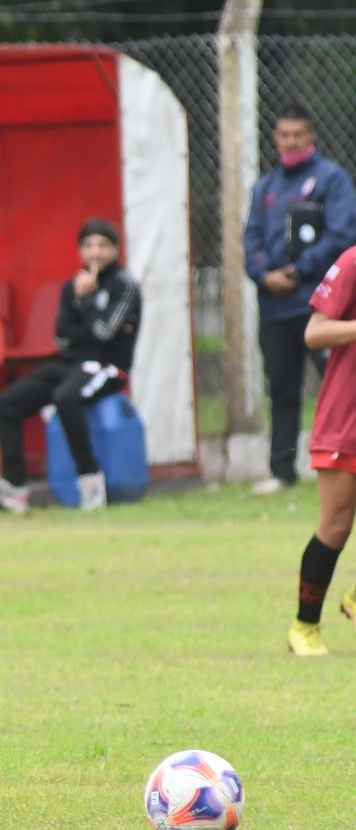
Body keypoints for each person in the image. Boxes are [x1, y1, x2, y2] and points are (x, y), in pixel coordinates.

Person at [0, 218, 142, 514]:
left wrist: (87, 301)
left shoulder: (124, 286)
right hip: (72, 362)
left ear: (115, 250)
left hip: (108, 366)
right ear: (80, 251)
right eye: (89, 246)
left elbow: (105, 334)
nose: (95, 253)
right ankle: (14, 486)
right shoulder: (72, 287)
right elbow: (62, 337)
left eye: (103, 245)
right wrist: (83, 306)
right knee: (6, 404)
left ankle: (90, 481)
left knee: (66, 397)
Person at [244, 101, 356, 495]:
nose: (290, 142)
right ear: (274, 138)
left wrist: (298, 270)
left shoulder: (332, 180)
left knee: (342, 383)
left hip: (321, 304)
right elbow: (251, 239)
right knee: (282, 388)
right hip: (275, 307)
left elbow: (341, 235)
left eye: (297, 135)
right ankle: (282, 471)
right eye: (283, 135)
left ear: (311, 136)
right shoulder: (265, 187)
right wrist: (265, 274)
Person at [285, 244, 356, 655]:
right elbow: (316, 332)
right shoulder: (351, 263)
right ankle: (305, 627)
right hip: (346, 418)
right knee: (336, 525)